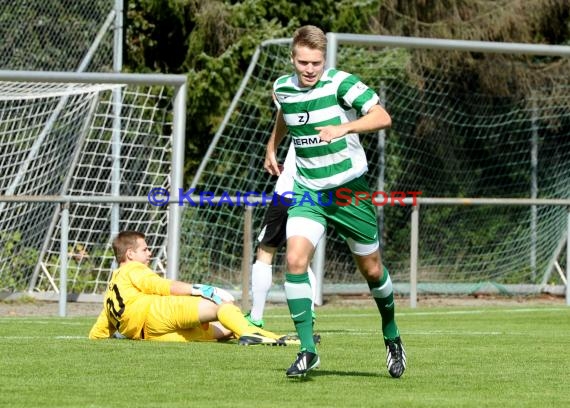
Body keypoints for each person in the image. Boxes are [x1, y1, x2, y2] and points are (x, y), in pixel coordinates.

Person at [264, 25, 407, 378]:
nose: (309, 69)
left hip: (348, 192)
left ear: (323, 59)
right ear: (293, 59)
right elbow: (286, 112)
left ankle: (391, 334)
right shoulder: (282, 88)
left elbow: (382, 116)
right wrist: (272, 145)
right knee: (295, 261)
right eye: (302, 62)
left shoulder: (340, 83)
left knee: (372, 271)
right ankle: (308, 351)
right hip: (309, 191)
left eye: (315, 62)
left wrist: (345, 128)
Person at [89, 230, 285, 345]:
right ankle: (254, 334)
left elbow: (100, 329)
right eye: (145, 249)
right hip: (157, 313)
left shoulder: (112, 286)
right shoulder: (134, 268)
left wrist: (100, 337)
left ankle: (274, 338)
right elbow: (161, 285)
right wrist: (200, 290)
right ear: (130, 254)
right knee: (219, 307)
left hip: (150, 335)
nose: (149, 253)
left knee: (223, 332)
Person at [245, 141, 318, 329]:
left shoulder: (295, 113)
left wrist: (271, 148)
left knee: (266, 251)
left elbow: (282, 114)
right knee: (302, 257)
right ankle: (308, 312)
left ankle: (255, 316)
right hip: (315, 197)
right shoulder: (335, 119)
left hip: (287, 193)